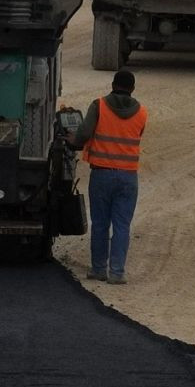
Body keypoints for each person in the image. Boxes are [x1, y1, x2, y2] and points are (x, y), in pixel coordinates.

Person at [70, 70, 147, 284]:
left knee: (101, 224)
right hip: (128, 178)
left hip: (102, 175)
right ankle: (117, 272)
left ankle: (98, 269)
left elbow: (84, 134)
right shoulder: (142, 112)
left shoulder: (99, 106)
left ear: (113, 84)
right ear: (132, 89)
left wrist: (72, 140)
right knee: (122, 225)